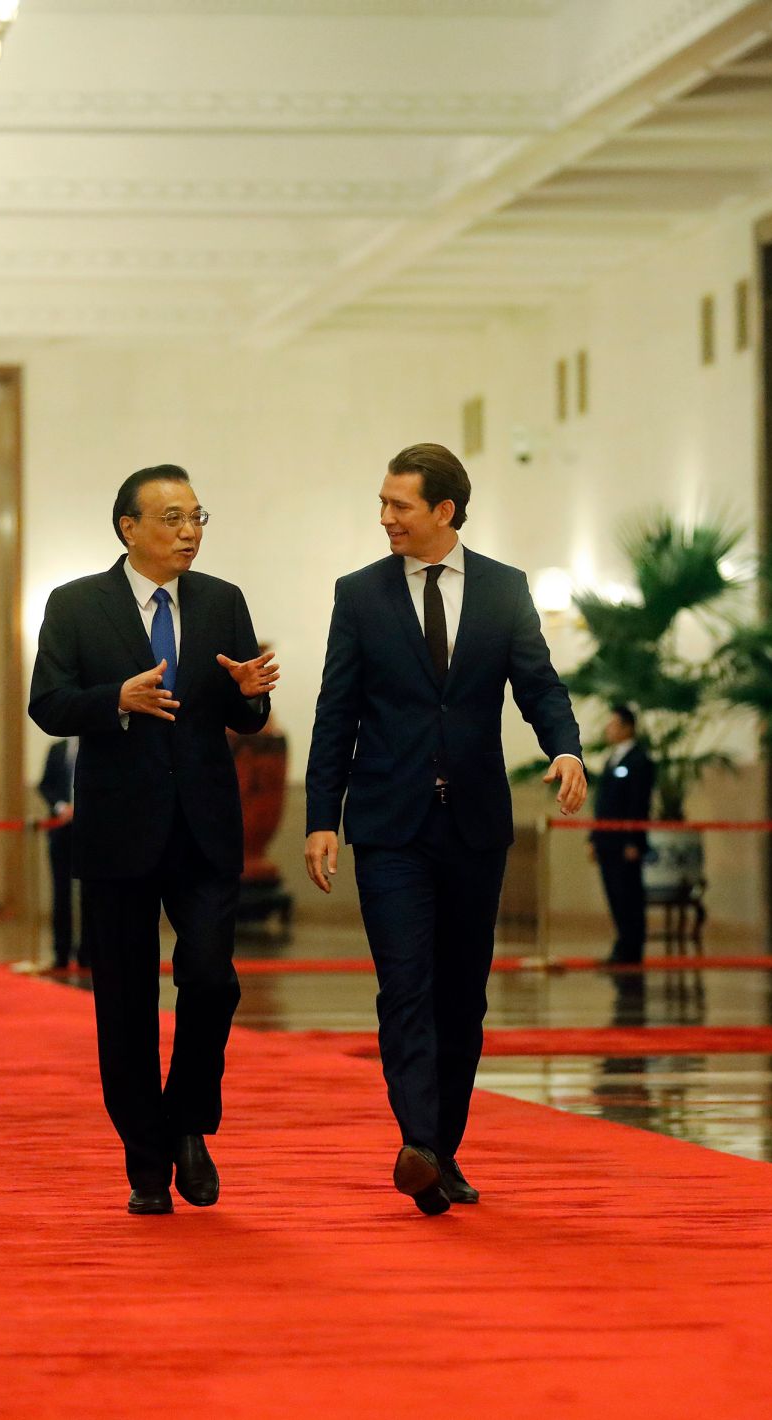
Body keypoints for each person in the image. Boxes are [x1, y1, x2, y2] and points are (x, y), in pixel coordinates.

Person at [304, 442, 586, 1216]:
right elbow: (337, 713)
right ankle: (420, 1140)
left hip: (474, 826)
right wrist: (320, 818)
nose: (385, 517)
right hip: (389, 826)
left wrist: (564, 747)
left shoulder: (503, 590)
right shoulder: (359, 595)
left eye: (400, 505)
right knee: (406, 983)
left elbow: (538, 683)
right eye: (383, 503)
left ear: (444, 512)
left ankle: (441, 1152)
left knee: (463, 997)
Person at [28, 464, 279, 1217]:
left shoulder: (222, 600)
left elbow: (246, 721)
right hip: (116, 832)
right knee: (126, 1005)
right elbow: (48, 703)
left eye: (197, 516)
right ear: (128, 528)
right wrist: (115, 699)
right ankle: (145, 1155)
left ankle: (189, 1122)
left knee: (211, 978)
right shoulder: (76, 605)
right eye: (171, 518)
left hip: (205, 825)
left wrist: (251, 694)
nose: (188, 532)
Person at [591, 704, 655, 966]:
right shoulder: (612, 759)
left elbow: (637, 804)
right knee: (615, 895)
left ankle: (632, 947)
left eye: (613, 724)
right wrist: (594, 838)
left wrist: (632, 840)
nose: (608, 729)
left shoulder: (640, 761)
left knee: (629, 895)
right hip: (607, 841)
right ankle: (622, 944)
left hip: (625, 842)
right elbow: (603, 803)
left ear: (627, 728)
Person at [37, 737, 81, 970]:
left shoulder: (95, 746)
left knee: (90, 895)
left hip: (90, 831)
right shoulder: (57, 750)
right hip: (61, 830)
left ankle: (88, 953)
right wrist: (62, 807)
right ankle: (61, 951)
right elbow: (44, 785)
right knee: (60, 892)